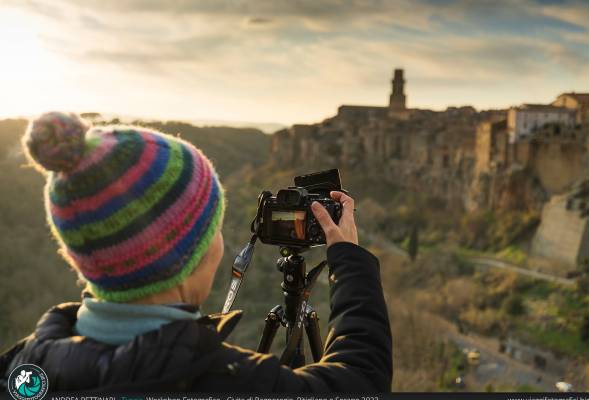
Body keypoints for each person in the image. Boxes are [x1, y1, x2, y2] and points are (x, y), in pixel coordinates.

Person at [0, 112, 392, 393]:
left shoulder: (23, 366)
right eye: (213, 227)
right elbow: (361, 378)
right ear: (194, 256)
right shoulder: (226, 380)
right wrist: (349, 260)